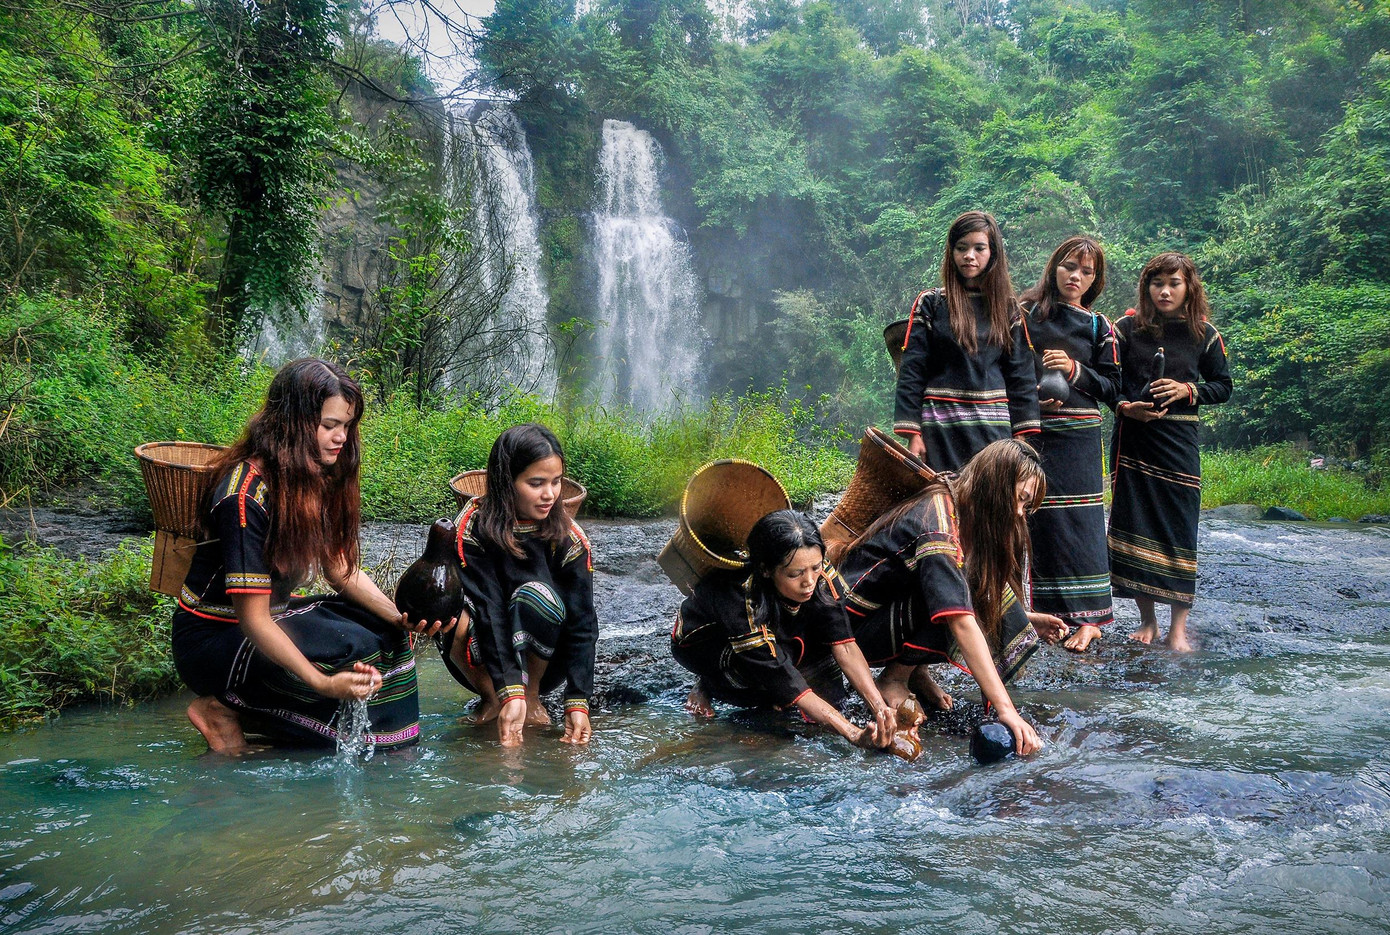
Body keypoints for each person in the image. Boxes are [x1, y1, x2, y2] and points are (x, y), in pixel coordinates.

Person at [173, 359, 444, 754]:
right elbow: (254, 620)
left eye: (347, 426)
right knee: (346, 645)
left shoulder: (314, 476)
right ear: (292, 424)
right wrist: (322, 683)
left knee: (383, 631)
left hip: (273, 618)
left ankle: (384, 747)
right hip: (213, 641)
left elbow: (340, 570)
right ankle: (222, 707)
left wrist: (400, 618)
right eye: (329, 425)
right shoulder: (244, 497)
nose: (341, 438)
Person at [831, 439, 1057, 756]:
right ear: (994, 485)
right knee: (955, 598)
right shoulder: (936, 526)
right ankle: (894, 679)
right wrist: (1006, 710)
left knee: (963, 586)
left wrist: (1025, 618)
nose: (1020, 513)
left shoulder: (958, 495)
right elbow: (960, 619)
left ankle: (913, 671)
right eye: (1020, 499)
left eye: (1026, 506)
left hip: (882, 611)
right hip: (850, 629)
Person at [671, 511, 897, 751]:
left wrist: (880, 708)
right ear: (766, 570)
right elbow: (780, 673)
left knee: (823, 669)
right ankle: (709, 684)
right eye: (795, 574)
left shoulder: (818, 573)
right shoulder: (740, 597)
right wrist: (853, 734)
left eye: (815, 567)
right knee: (773, 686)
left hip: (776, 624)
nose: (809, 581)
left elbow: (844, 644)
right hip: (709, 645)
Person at [438, 424, 598, 747]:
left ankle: (532, 695)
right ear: (506, 482)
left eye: (556, 482)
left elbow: (583, 622)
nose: (550, 494)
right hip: (483, 649)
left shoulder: (570, 538)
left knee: (536, 596)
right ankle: (493, 698)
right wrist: (507, 691)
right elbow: (489, 608)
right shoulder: (472, 527)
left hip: (547, 655)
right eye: (536, 483)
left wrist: (578, 700)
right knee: (444, 604)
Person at [1109, 253, 1232, 652]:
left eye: (1174, 283)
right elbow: (1110, 382)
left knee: (1180, 528)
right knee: (1134, 524)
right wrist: (1125, 406)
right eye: (1157, 283)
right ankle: (1147, 620)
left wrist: (1186, 390)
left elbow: (1223, 386)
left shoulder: (1204, 334)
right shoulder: (1125, 329)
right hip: (1135, 440)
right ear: (1146, 287)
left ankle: (1178, 627)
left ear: (1188, 288)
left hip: (1179, 443)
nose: (1164, 291)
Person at [1018, 236, 1122, 653]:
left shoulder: (1099, 327)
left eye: (1086, 271)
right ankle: (1048, 616)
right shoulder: (1025, 314)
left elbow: (1113, 387)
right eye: (1069, 267)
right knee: (1039, 521)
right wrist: (1030, 396)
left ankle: (1090, 620)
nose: (1076, 276)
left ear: (1095, 280)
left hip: (1080, 437)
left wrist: (1075, 370)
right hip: (1035, 432)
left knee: (1082, 523)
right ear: (1054, 268)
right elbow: (1008, 368)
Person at [893, 210, 1040, 473]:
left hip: (994, 431)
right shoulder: (932, 304)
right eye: (961, 248)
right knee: (942, 495)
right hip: (940, 428)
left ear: (993, 252)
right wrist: (913, 434)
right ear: (951, 252)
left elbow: (1021, 375)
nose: (969, 255)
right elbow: (912, 370)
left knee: (990, 495)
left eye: (979, 248)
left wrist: (1021, 438)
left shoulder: (1007, 308)